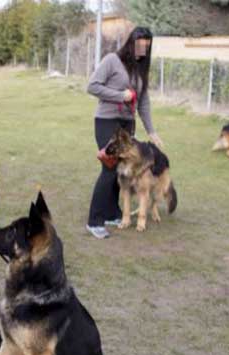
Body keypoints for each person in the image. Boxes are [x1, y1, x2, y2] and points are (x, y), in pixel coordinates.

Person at [85, 26, 163, 239]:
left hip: (127, 125)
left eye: (147, 45)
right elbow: (92, 86)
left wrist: (151, 130)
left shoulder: (141, 69)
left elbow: (143, 101)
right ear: (131, 42)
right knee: (109, 168)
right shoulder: (112, 60)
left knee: (121, 171)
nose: (143, 48)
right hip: (107, 121)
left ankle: (112, 212)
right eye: (139, 43)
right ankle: (94, 221)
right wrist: (121, 95)